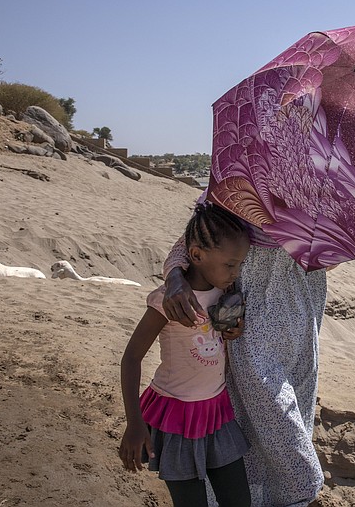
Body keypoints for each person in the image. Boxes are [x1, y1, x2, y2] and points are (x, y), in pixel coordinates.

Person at [163, 198, 328, 506]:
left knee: (294, 403)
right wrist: (174, 275)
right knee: (258, 406)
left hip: (299, 311)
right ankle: (304, 489)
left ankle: (284, 496)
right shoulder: (241, 174)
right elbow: (191, 241)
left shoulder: (326, 184)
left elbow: (333, 255)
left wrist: (321, 240)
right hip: (247, 313)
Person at [119, 203, 252, 507]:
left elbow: (216, 339)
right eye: (230, 265)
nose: (236, 274)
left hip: (217, 413)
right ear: (196, 255)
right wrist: (134, 423)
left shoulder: (223, 294)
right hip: (176, 418)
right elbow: (131, 358)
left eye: (240, 265)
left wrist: (232, 331)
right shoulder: (167, 303)